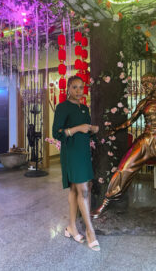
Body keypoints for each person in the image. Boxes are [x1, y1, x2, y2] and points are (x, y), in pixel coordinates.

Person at [92, 72, 156, 219]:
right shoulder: (144, 102)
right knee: (124, 169)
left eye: (146, 84)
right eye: (142, 84)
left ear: (154, 82)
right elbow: (130, 121)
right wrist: (115, 129)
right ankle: (105, 202)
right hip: (146, 139)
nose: (144, 87)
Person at [52, 75, 100, 251]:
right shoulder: (62, 107)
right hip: (71, 153)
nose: (79, 91)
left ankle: (71, 227)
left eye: (81, 87)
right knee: (84, 191)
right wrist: (77, 129)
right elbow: (57, 133)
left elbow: (85, 132)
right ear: (68, 89)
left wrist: (93, 130)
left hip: (83, 153)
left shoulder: (84, 108)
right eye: (75, 87)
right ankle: (90, 231)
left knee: (75, 189)